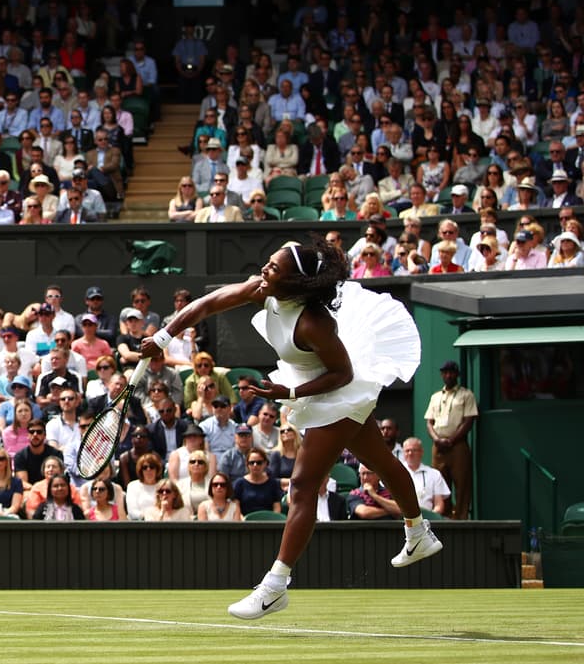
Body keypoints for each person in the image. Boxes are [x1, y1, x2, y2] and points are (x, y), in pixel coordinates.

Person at [139, 236, 434, 620]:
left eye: (274, 268)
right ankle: (418, 532)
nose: (265, 271)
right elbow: (209, 303)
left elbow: (342, 374)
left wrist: (290, 390)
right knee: (380, 459)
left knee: (303, 486)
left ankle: (275, 586)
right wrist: (163, 337)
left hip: (335, 388)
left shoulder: (315, 322)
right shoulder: (263, 290)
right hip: (315, 383)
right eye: (268, 263)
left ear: (294, 283)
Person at [425, 360, 478, 519]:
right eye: (445, 372)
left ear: (457, 374)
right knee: (440, 480)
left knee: (461, 482)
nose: (448, 375)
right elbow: (429, 422)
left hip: (457, 444)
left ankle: (461, 517)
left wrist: (452, 440)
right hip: (438, 445)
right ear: (442, 374)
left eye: (451, 372)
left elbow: (469, 420)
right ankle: (444, 516)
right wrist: (436, 439)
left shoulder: (466, 394)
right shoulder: (435, 397)